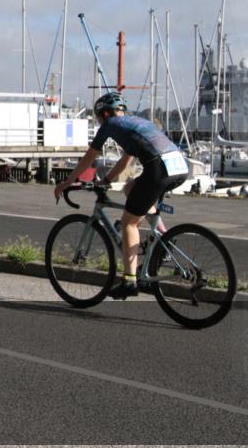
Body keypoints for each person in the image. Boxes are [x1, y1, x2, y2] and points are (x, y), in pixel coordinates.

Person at [53, 92, 189, 299]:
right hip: (178, 167)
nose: (99, 121)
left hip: (159, 169)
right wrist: (106, 180)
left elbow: (89, 158)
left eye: (99, 117)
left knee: (129, 223)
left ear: (105, 113)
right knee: (129, 189)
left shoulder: (110, 125)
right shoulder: (136, 123)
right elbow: (127, 160)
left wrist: (67, 182)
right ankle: (163, 236)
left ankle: (129, 281)